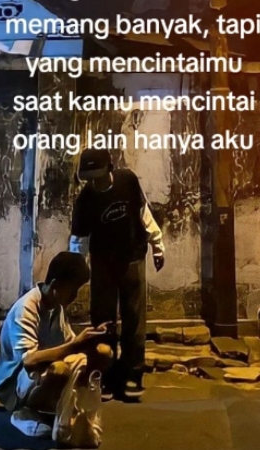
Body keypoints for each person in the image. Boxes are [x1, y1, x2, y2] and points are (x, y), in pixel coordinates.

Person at [69, 148, 165, 400]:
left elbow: (144, 213)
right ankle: (105, 374)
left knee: (134, 319)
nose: (94, 182)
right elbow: (79, 240)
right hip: (102, 262)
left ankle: (133, 374)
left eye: (98, 177)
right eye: (89, 178)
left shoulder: (127, 181)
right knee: (102, 321)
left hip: (133, 257)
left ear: (109, 170)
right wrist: (77, 270)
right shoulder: (85, 199)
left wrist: (158, 246)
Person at [0, 251, 112, 444]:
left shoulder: (56, 307)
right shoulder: (26, 308)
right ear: (55, 285)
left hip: (38, 375)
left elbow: (68, 343)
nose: (75, 296)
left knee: (103, 352)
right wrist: (76, 345)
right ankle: (25, 413)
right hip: (15, 385)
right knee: (60, 370)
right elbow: (30, 361)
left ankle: (70, 409)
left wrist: (91, 340)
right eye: (73, 290)